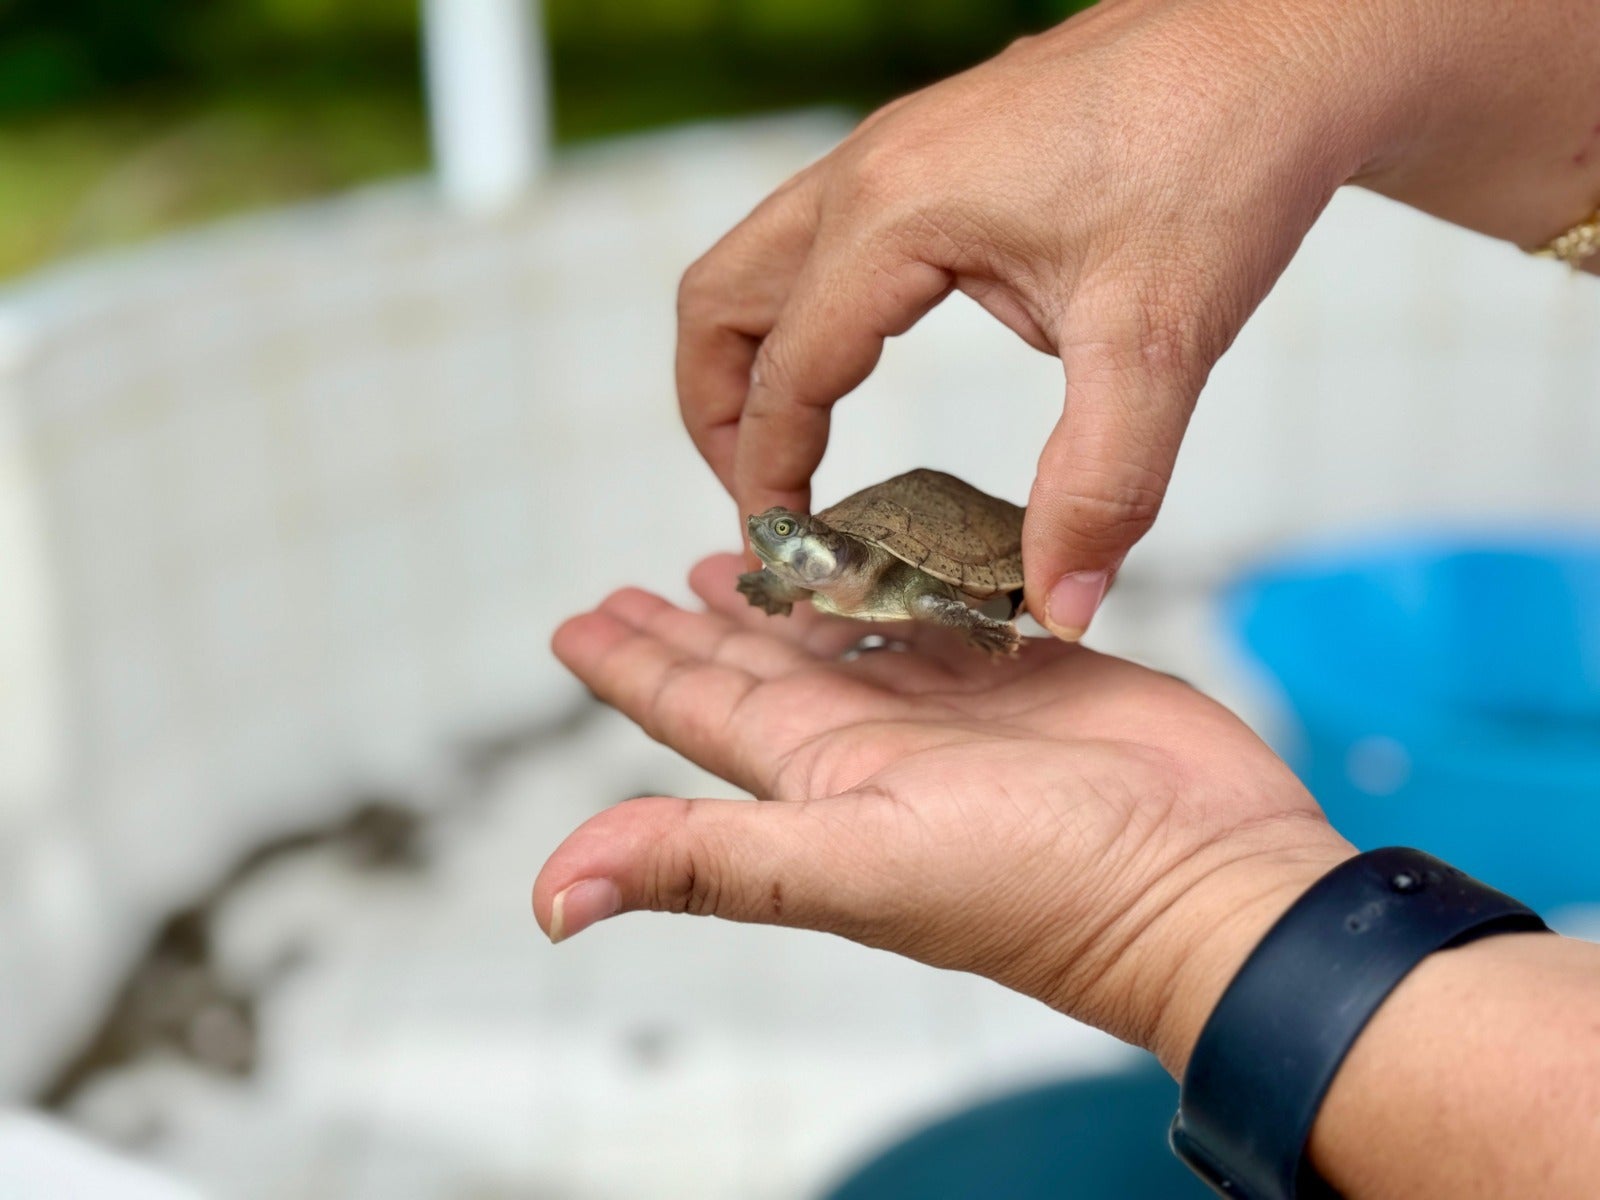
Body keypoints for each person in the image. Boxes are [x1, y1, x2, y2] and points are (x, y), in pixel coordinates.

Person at [534, 2, 1600, 1195]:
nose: (784, 550)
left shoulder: (896, 575)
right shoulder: (816, 562)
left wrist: (1185, 911)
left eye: (792, 544)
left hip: (958, 565)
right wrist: (1310, 45)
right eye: (788, 545)